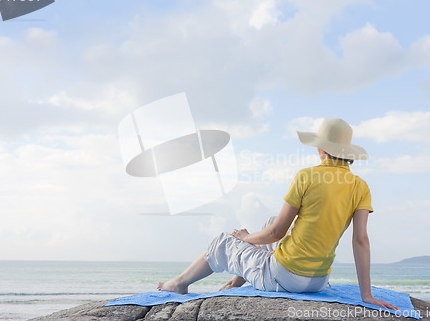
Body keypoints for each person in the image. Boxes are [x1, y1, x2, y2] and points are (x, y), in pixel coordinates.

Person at [158, 118, 399, 311]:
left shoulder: (307, 176)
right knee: (271, 219)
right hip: (318, 281)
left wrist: (246, 237)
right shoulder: (360, 186)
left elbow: (276, 234)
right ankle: (235, 280)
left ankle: (178, 284)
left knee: (223, 241)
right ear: (346, 152)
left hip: (284, 278)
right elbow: (360, 240)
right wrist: (366, 294)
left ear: (321, 148)